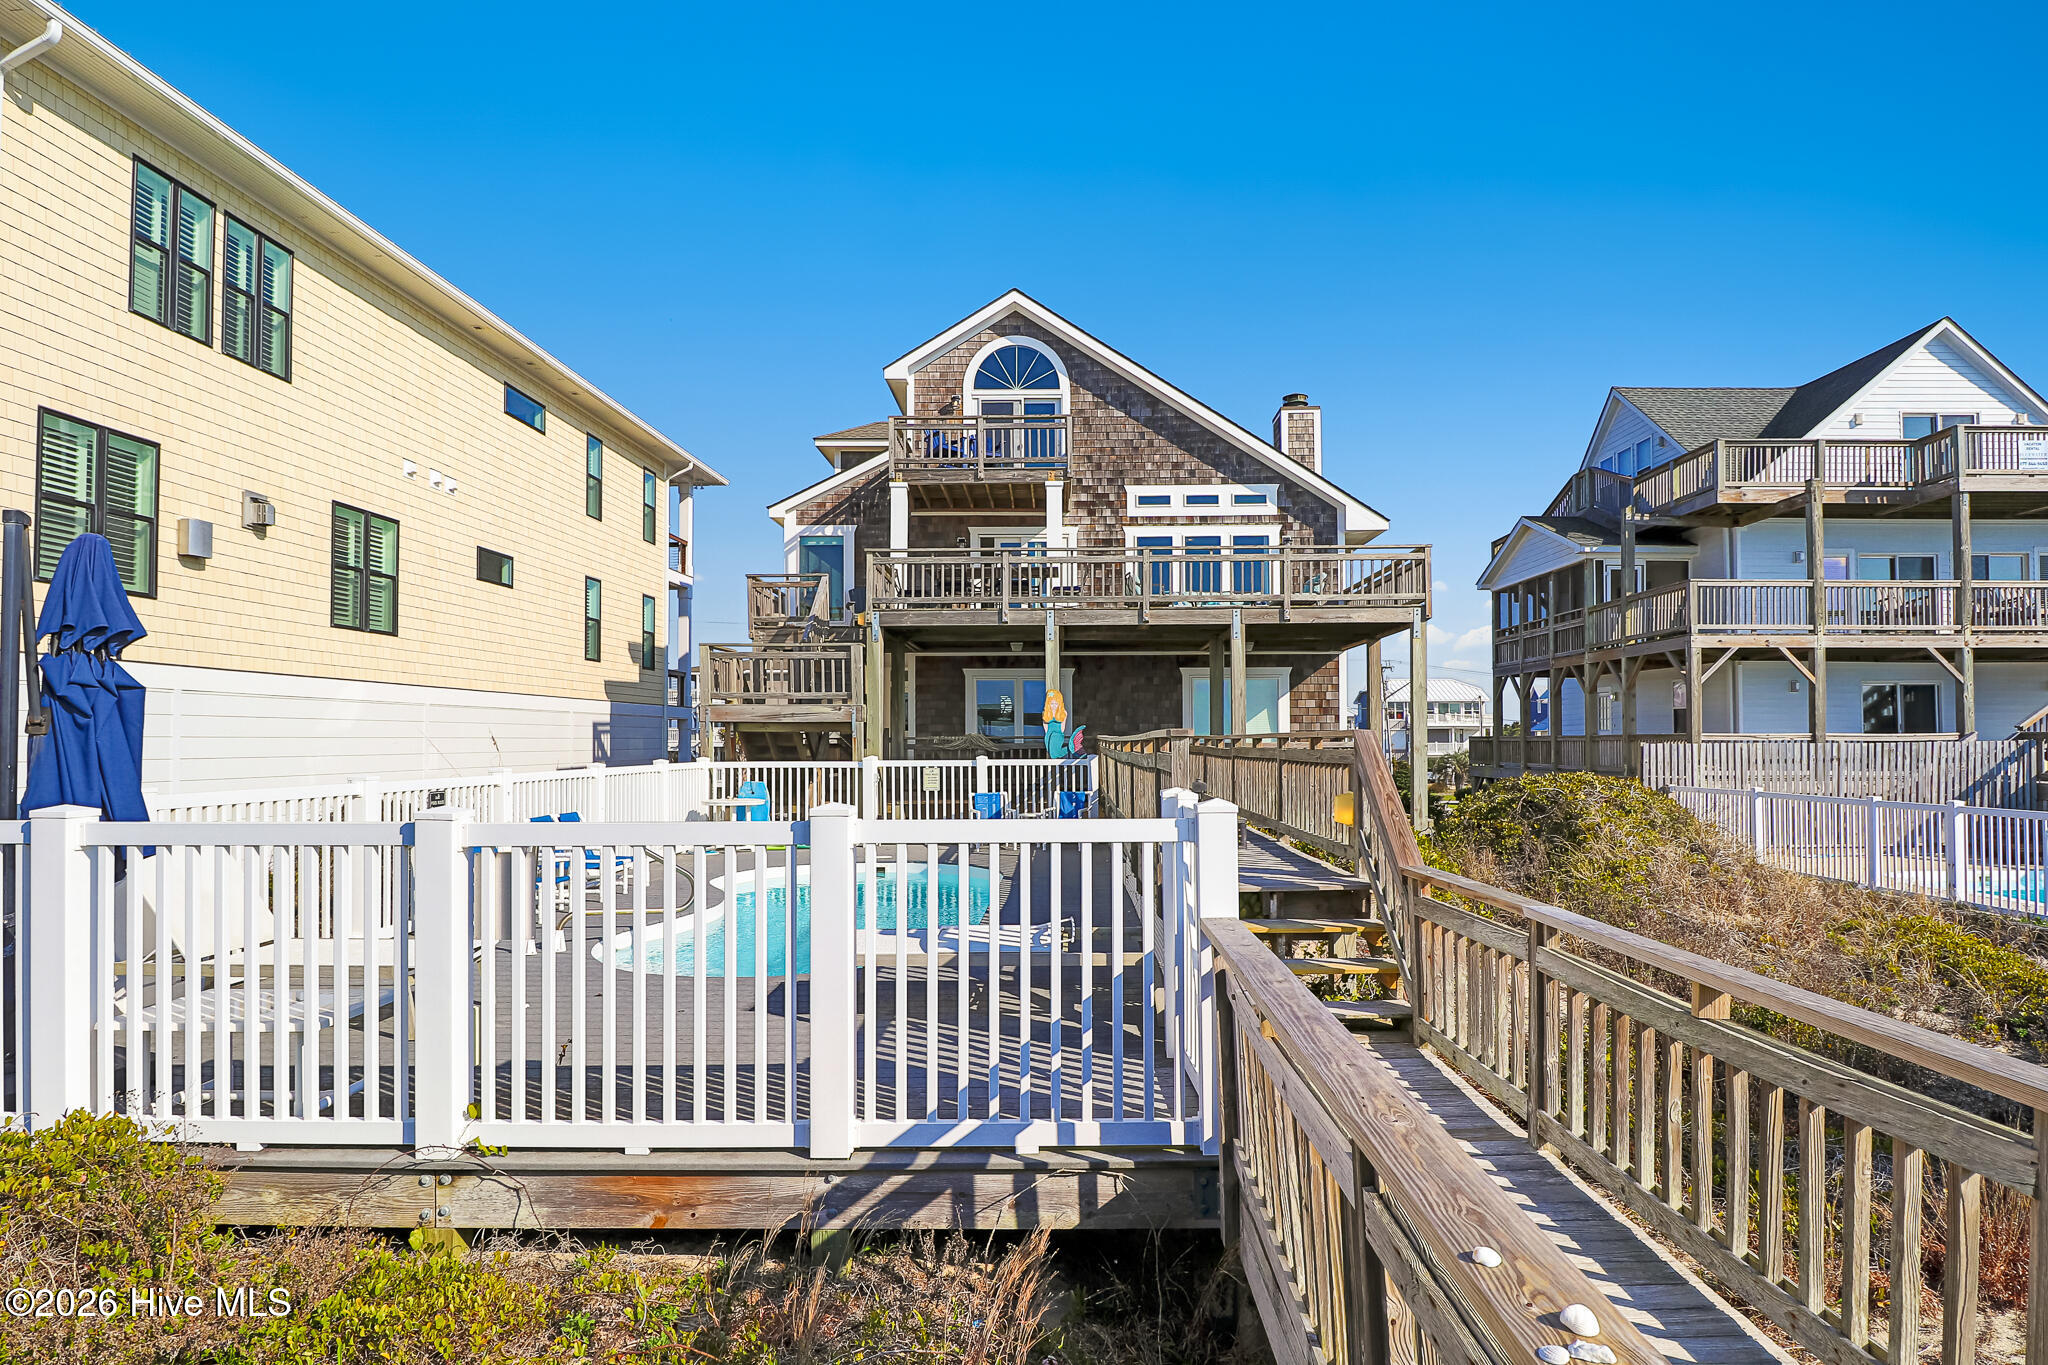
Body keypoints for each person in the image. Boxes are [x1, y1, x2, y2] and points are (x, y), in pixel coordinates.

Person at [1042, 688, 1082, 758]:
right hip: (1048, 735)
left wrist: (1056, 736)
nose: (1054, 706)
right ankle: (1071, 747)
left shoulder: (1063, 713)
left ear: (1059, 704)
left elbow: (1062, 728)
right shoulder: (1045, 713)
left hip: (1057, 734)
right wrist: (1048, 736)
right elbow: (1045, 727)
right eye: (1052, 703)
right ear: (1048, 703)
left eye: (1056, 704)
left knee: (1055, 754)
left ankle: (1073, 746)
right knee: (1052, 754)